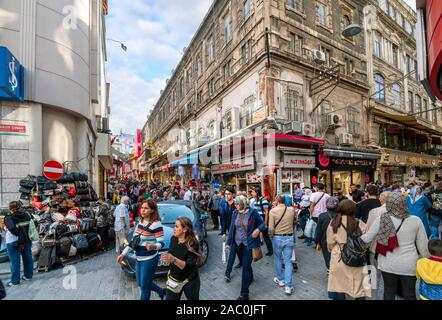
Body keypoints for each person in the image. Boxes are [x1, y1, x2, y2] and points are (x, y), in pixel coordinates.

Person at [361, 192, 429, 300]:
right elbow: (423, 247)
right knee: (410, 293)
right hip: (409, 263)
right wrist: (426, 261)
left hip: (388, 262)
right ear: (404, 203)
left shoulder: (382, 219)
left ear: (389, 204)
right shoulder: (416, 220)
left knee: (389, 291)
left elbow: (367, 238)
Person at [117, 200, 165, 300]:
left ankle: (161, 292)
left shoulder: (156, 224)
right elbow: (134, 242)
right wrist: (123, 254)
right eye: (142, 208)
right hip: (139, 259)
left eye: (146, 208)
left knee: (144, 288)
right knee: (141, 283)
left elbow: (161, 243)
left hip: (150, 259)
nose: (142, 210)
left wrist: (153, 246)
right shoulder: (140, 222)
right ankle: (162, 291)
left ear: (152, 210)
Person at [327, 199, 370, 300]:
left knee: (339, 287)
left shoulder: (334, 223)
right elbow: (367, 241)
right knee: (359, 289)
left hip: (339, 256)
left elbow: (330, 242)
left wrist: (334, 250)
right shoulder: (359, 223)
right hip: (357, 257)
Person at [225, 195, 266, 300]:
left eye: (238, 203)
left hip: (249, 244)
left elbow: (262, 224)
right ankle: (250, 277)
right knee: (245, 264)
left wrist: (257, 230)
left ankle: (244, 294)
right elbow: (231, 229)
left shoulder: (253, 213)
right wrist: (228, 243)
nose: (235, 205)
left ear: (243, 203)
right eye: (236, 203)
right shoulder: (235, 213)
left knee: (246, 266)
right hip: (237, 243)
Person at [161, 217, 202, 300]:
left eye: (176, 226)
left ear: (184, 230)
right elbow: (171, 252)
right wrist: (167, 257)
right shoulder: (173, 239)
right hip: (174, 280)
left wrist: (173, 259)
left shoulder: (192, 244)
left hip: (189, 281)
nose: (174, 228)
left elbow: (188, 265)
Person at [268, 195, 296, 295]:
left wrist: (271, 236)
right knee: (288, 262)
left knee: (277, 258)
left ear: (276, 200)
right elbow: (295, 221)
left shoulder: (273, 211)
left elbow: (271, 228)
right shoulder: (291, 210)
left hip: (277, 237)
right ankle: (288, 286)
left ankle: (280, 280)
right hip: (289, 237)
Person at [365, 191, 389, 299]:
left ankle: (372, 297)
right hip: (393, 251)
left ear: (381, 200)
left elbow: (368, 231)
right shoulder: (403, 213)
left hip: (375, 249)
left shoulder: (374, 212)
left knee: (374, 278)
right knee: (390, 281)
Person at [4, 201, 34, 287]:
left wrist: (18, 233)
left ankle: (15, 281)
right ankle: (28, 276)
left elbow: (12, 228)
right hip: (26, 239)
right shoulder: (26, 214)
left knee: (14, 261)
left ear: (10, 208)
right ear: (20, 206)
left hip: (13, 241)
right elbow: (34, 223)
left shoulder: (9, 217)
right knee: (28, 257)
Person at [315, 197, 339, 272]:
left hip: (326, 241)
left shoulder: (322, 216)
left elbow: (319, 231)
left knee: (328, 258)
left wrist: (317, 242)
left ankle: (330, 271)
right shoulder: (341, 215)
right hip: (339, 240)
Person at [251, 188, 273, 256]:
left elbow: (266, 212)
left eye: (252, 192)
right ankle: (256, 250)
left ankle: (270, 250)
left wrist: (265, 223)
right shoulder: (255, 200)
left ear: (256, 192)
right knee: (256, 235)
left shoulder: (263, 200)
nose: (251, 193)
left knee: (266, 237)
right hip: (257, 221)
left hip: (262, 221)